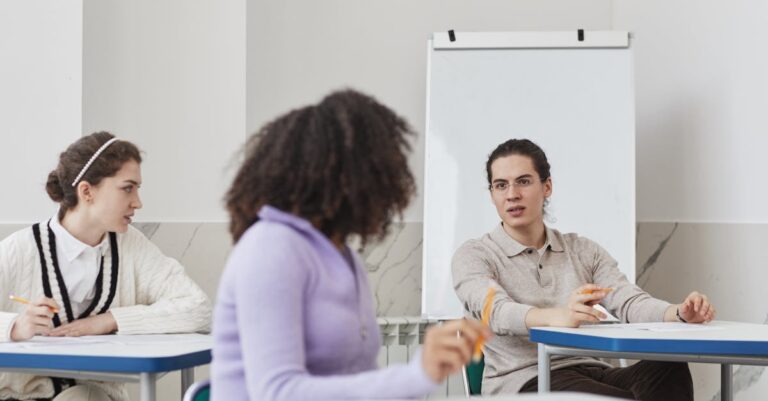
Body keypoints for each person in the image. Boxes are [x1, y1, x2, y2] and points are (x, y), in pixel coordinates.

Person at [211, 89, 490, 401]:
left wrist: (423, 373)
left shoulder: (343, 256)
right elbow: (278, 392)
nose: (389, 191)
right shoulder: (270, 248)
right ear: (339, 178)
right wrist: (415, 376)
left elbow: (355, 382)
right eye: (378, 174)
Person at [451, 138, 716, 400]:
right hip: (526, 380)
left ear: (547, 187)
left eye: (523, 181)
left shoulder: (582, 250)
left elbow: (628, 301)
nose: (512, 194)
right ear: (492, 194)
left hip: (592, 371)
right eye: (501, 185)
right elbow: (495, 311)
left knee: (668, 368)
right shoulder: (475, 255)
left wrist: (678, 313)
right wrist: (557, 316)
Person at [0, 132, 212, 401]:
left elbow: (197, 307)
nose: (138, 202)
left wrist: (109, 320)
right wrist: (15, 326)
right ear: (87, 191)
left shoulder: (130, 246)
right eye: (128, 188)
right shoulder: (20, 249)